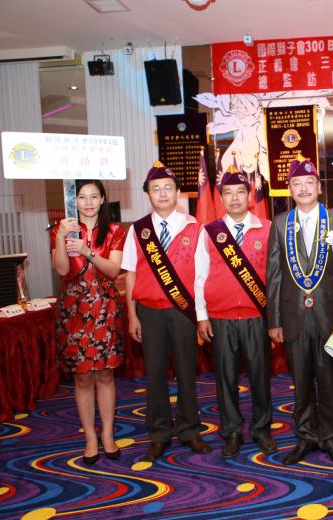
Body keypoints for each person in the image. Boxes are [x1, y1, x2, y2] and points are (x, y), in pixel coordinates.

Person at [266, 157, 333, 465]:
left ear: (319, 187)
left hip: (331, 318)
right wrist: (274, 320)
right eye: (297, 184)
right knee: (301, 381)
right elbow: (274, 275)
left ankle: (329, 436)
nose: (303, 188)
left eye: (309, 183)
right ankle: (306, 435)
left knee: (329, 380)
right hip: (293, 317)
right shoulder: (280, 224)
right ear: (289, 189)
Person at [121, 161, 212, 462]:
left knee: (187, 373)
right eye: (155, 189)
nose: (162, 193)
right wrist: (132, 314)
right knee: (156, 375)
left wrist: (201, 314)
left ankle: (189, 430)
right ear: (148, 193)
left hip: (183, 311)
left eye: (168, 188)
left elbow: (201, 276)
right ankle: (159, 433)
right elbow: (130, 274)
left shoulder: (194, 227)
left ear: (178, 192)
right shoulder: (138, 230)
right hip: (149, 312)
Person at [194, 170, 276, 458]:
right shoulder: (210, 231)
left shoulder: (267, 228)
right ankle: (231, 431)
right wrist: (202, 315)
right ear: (221, 198)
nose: (235, 198)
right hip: (221, 317)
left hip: (257, 316)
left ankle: (261, 429)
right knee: (225, 378)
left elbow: (275, 276)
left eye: (240, 191)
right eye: (228, 193)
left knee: (260, 376)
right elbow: (200, 275)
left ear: (249, 195)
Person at [51, 179, 126, 465]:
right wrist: (61, 237)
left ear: (103, 199)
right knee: (82, 377)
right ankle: (90, 437)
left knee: (106, 374)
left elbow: (113, 270)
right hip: (74, 311)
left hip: (105, 309)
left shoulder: (115, 231)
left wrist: (86, 251)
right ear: (75, 201)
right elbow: (62, 270)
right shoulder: (62, 230)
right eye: (82, 197)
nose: (89, 202)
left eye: (94, 196)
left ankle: (107, 433)